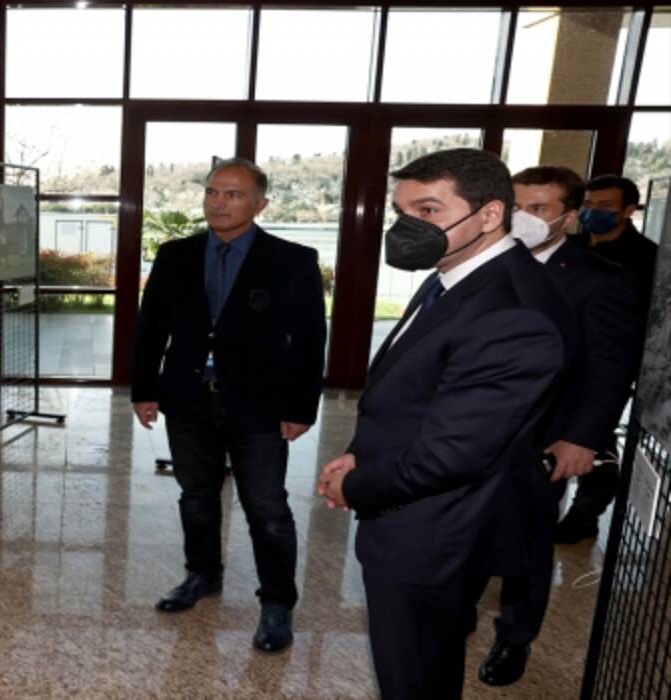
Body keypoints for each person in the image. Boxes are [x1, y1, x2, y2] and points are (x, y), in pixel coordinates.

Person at [317, 149, 575, 699]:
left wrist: (355, 484)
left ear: (489, 214)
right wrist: (363, 451)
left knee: (416, 679)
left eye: (429, 210)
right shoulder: (461, 275)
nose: (410, 226)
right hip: (422, 514)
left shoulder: (513, 312)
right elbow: (417, 392)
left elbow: (450, 454)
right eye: (402, 211)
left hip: (437, 530)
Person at [131, 158, 326, 653]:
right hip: (188, 397)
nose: (219, 202)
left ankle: (277, 602)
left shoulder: (293, 260)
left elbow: (308, 340)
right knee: (195, 495)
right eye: (213, 192)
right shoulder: (175, 255)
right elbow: (151, 326)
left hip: (259, 403)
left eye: (234, 195)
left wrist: (301, 407)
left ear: (260, 203)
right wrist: (144, 389)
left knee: (267, 506)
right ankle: (202, 575)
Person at [469, 166, 644, 686]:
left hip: (544, 438)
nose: (524, 218)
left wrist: (584, 439)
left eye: (540, 209)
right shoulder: (483, 263)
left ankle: (514, 638)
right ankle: (457, 610)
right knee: (466, 530)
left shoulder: (600, 279)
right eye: (517, 205)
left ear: (569, 216)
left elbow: (610, 369)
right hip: (472, 433)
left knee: (526, 542)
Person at [556, 173, 658, 543]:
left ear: (629, 210)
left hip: (609, 367)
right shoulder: (572, 249)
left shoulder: (650, 259)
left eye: (605, 206)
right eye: (588, 205)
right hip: (562, 365)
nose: (594, 213)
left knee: (594, 439)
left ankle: (584, 515)